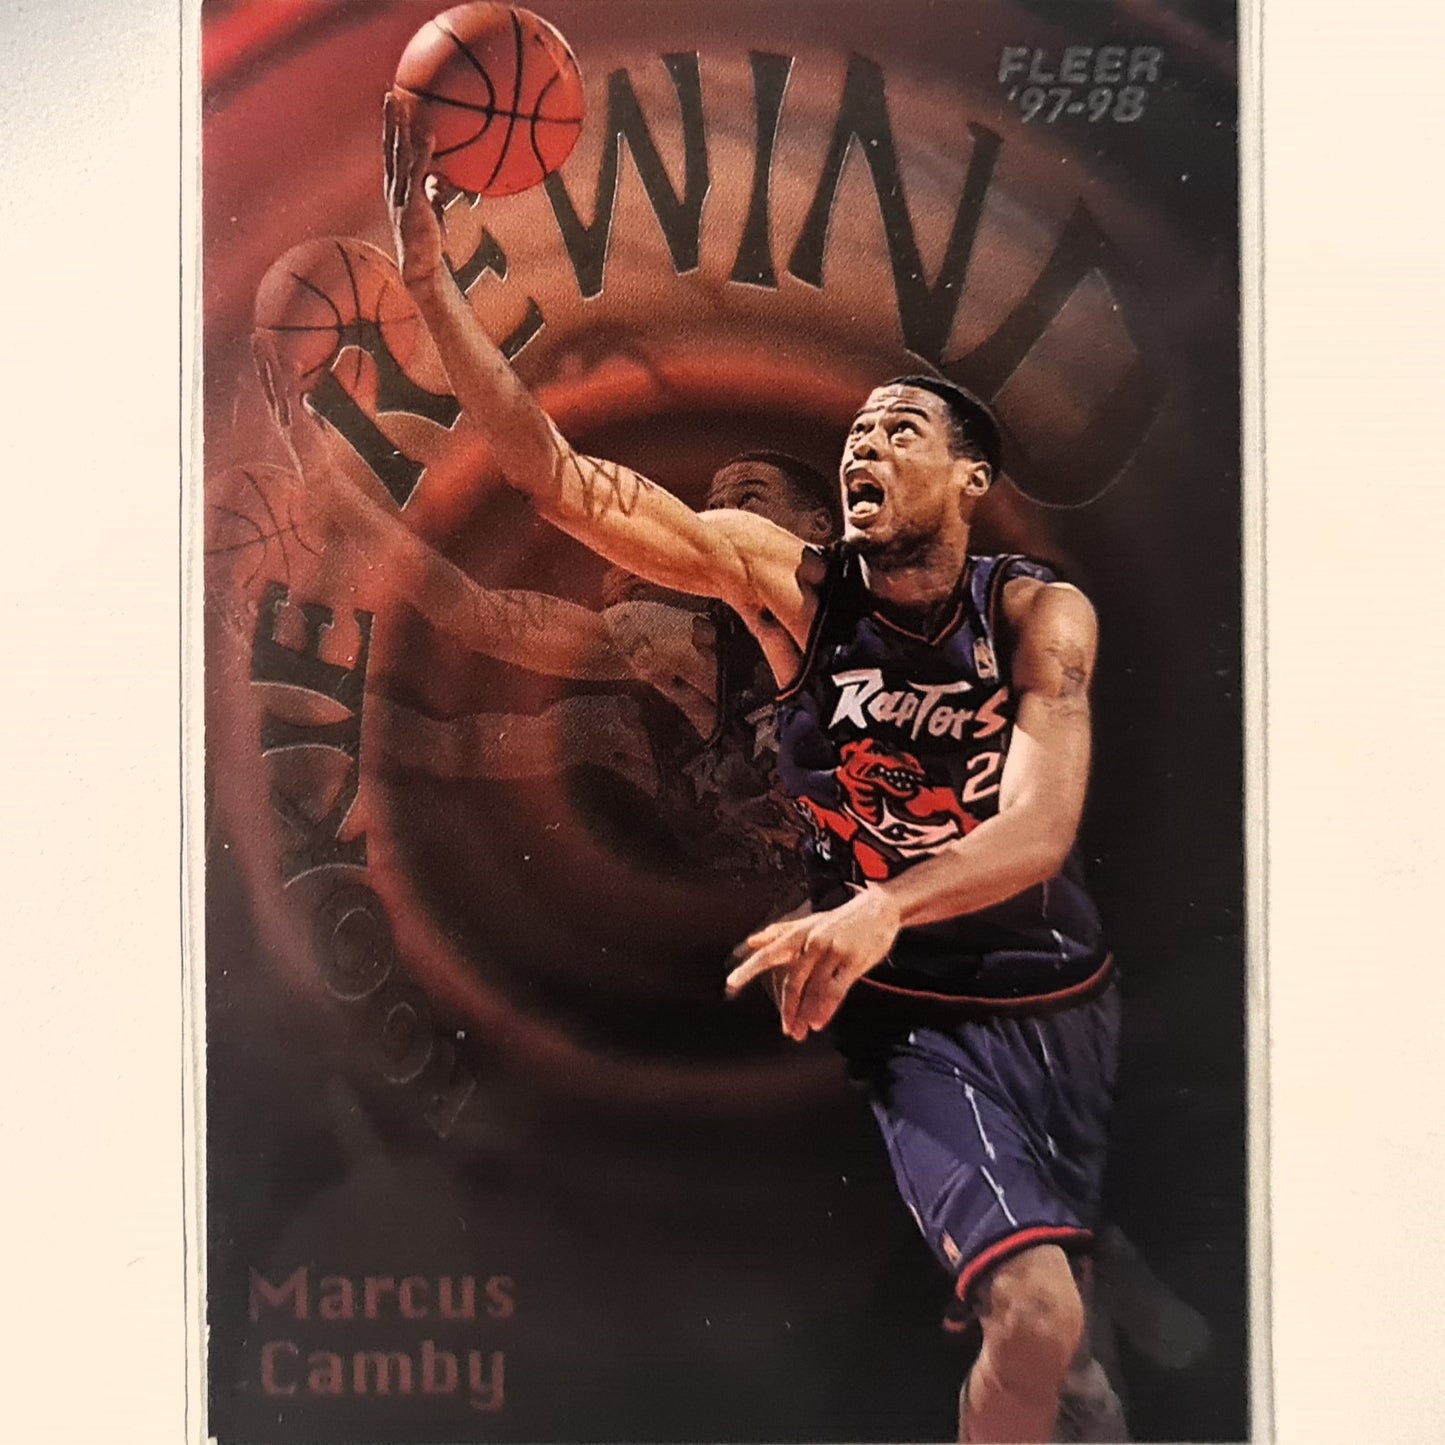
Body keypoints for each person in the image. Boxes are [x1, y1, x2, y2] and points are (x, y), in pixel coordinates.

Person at [381, 95, 1126, 1442]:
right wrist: (434, 288)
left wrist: (887, 898)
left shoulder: (1035, 615)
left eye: (901, 431)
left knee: (1071, 1361)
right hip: (912, 1011)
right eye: (856, 434)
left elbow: (1040, 824)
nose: (865, 444)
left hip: (1061, 990)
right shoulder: (792, 591)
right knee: (1036, 1319)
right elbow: (561, 479)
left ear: (971, 482)